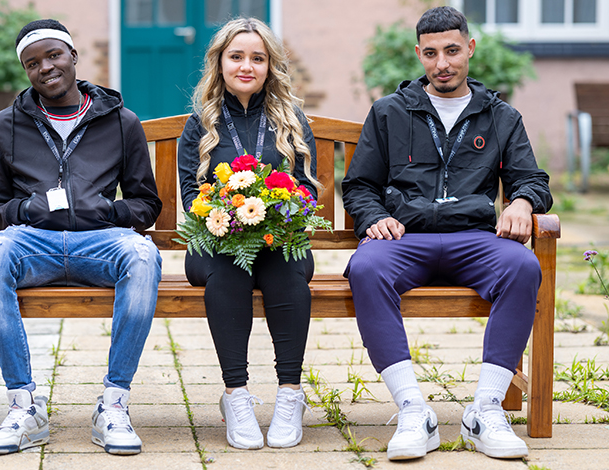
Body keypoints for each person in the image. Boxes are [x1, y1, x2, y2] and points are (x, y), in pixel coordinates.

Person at [341, 6, 552, 462]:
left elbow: (532, 180)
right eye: (432, 53)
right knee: (366, 265)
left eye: (453, 51)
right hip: (405, 239)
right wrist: (373, 217)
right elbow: (359, 185)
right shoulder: (390, 112)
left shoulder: (500, 116)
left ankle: (486, 409)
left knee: (522, 265)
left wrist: (520, 202)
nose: (443, 64)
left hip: (475, 239)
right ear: (419, 54)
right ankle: (414, 409)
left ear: (470, 49)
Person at [0, 19, 163, 456]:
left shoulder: (121, 122)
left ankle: (113, 405)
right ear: (26, 71)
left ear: (73, 57)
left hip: (100, 242)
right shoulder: (5, 127)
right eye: (32, 63)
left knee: (141, 255)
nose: (46, 68)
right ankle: (25, 407)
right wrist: (26, 209)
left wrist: (111, 211)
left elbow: (146, 205)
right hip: (32, 243)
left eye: (54, 55)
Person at [177, 17, 319, 450]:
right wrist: (226, 211)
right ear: (219, 63)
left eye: (257, 58)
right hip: (218, 241)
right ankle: (236, 395)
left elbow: (308, 191)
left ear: (270, 65)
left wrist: (281, 212)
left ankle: (290, 394)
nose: (246, 66)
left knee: (289, 269)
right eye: (236, 56)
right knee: (229, 273)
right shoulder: (201, 121)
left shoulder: (290, 119)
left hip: (279, 240)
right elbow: (188, 191)